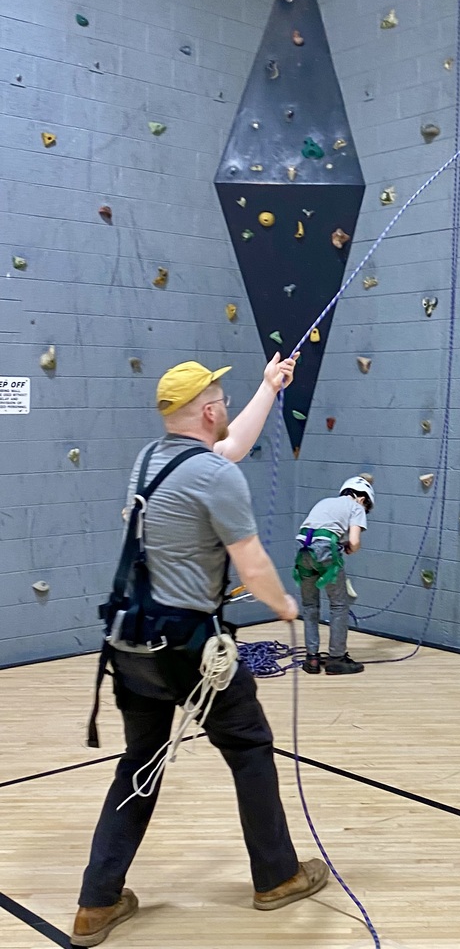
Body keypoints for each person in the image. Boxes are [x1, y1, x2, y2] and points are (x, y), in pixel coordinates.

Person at [70, 358, 327, 948]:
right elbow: (252, 564)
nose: (227, 407)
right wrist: (285, 606)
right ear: (209, 411)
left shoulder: (151, 460)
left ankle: (96, 902)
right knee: (250, 747)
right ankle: (278, 877)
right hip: (187, 650)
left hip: (129, 643)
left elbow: (228, 449)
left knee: (140, 764)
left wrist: (269, 389)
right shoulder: (213, 476)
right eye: (224, 400)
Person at [294, 476, 374, 676]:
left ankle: (312, 659)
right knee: (339, 605)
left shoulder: (325, 502)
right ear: (362, 499)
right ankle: (337, 659)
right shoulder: (356, 507)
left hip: (303, 551)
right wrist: (350, 547)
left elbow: (319, 529)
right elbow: (354, 542)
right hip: (325, 551)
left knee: (310, 606)